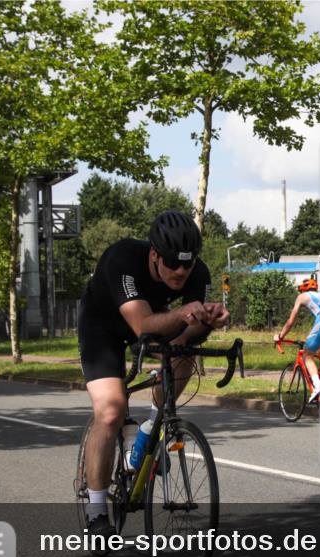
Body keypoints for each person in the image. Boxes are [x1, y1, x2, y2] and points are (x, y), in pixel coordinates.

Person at [78, 210, 229, 540]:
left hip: (154, 325)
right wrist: (182, 314)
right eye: (172, 263)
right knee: (111, 410)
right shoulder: (123, 260)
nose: (180, 271)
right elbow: (143, 326)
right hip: (103, 329)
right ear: (154, 254)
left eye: (186, 265)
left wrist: (209, 319)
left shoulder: (196, 273)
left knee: (183, 354)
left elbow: (188, 329)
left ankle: (151, 428)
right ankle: (97, 509)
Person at [274, 277, 320, 403]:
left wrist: (280, 336)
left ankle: (317, 388)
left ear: (302, 290)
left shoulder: (302, 297)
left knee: (307, 354)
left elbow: (291, 321)